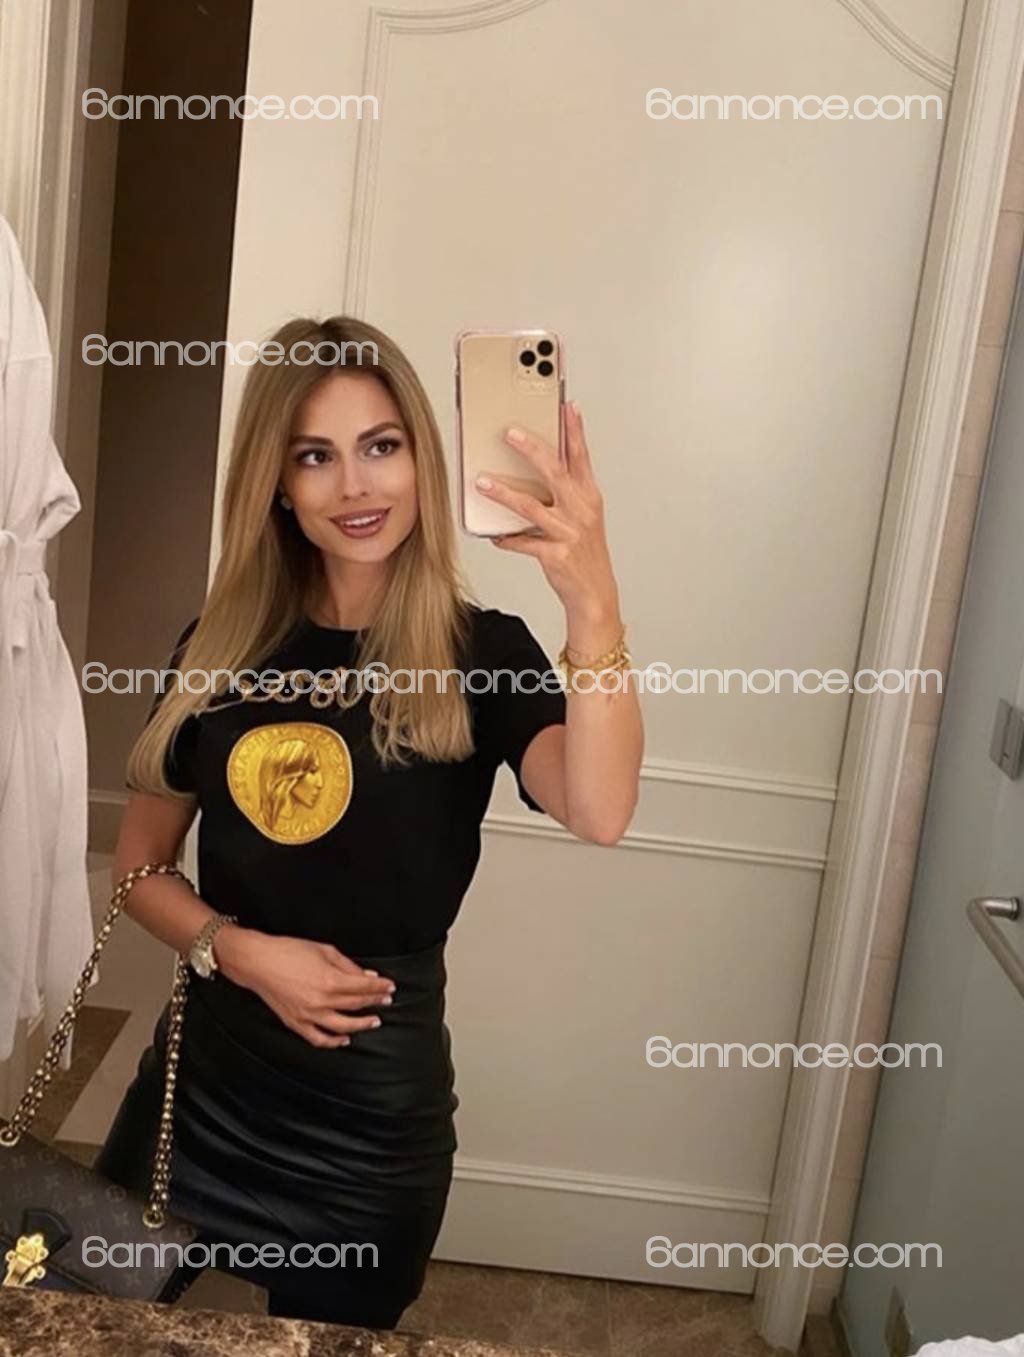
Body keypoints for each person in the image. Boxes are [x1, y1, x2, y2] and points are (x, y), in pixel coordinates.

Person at [94, 315, 643, 1328]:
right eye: (315, 455)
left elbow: (601, 809)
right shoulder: (217, 650)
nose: (354, 486)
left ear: (422, 459)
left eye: (381, 446)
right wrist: (240, 951)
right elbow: (138, 869)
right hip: (199, 1091)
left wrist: (593, 602)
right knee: (98, 1325)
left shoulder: (484, 653)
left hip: (366, 1130)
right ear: (276, 483)